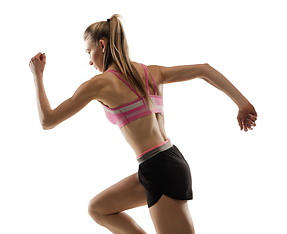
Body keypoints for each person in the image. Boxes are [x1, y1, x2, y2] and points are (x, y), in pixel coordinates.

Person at [28, 14, 258, 234]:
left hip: (160, 168)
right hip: (160, 163)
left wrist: (37, 76)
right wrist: (242, 103)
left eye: (89, 52)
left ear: (102, 45)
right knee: (98, 208)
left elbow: (47, 121)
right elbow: (204, 70)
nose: (89, 61)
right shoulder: (150, 72)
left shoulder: (100, 84)